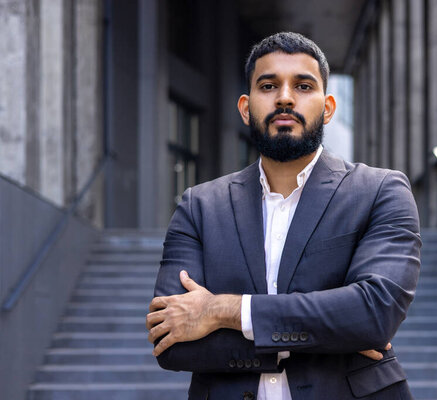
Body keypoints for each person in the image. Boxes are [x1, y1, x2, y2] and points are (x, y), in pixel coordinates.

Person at [146, 32, 421, 400]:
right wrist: (334, 337)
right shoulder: (199, 206)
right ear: (246, 107)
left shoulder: (380, 192)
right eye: (269, 85)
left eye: (303, 85)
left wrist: (222, 310)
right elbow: (173, 342)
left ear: (327, 107)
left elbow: (373, 315)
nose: (285, 97)